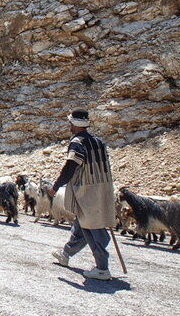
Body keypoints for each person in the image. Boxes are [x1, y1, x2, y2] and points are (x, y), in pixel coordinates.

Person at [50, 108, 115, 280]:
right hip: (103, 188)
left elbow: (70, 167)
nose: (69, 125)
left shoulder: (77, 142)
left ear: (74, 123)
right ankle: (65, 253)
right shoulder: (98, 141)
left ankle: (102, 268)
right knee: (82, 223)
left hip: (87, 192)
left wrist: (55, 186)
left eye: (70, 122)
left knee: (92, 228)